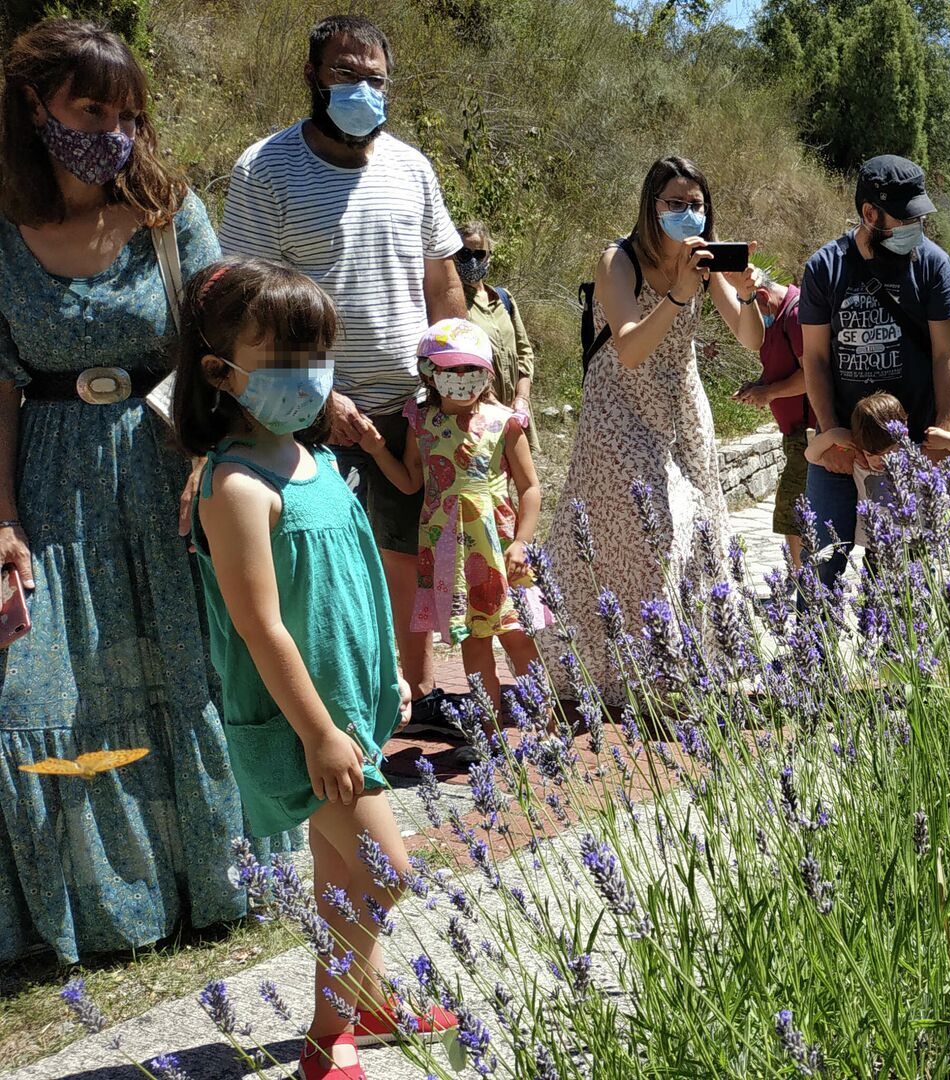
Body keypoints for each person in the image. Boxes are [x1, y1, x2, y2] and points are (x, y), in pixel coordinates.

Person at [0, 19, 299, 966]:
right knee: (46, 691)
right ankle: (94, 914)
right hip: (48, 488)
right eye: (93, 109)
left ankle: (225, 883)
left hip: (168, 471)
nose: (115, 131)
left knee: (194, 671)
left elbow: (220, 346)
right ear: (34, 106)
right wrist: (2, 518)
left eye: (129, 113)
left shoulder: (172, 213)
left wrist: (217, 464)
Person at [175, 256, 455, 1080]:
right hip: (304, 724)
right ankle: (325, 1032)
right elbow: (261, 627)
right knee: (386, 873)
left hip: (349, 708)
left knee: (342, 879)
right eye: (284, 357)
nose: (307, 375)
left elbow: (355, 585)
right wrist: (323, 732)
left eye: (316, 353)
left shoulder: (320, 461)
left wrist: (387, 676)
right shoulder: (233, 482)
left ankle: (357, 1010)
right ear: (222, 373)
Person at [217, 14, 464, 724]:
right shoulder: (265, 168)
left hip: (413, 406)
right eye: (345, 74)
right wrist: (317, 401)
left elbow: (443, 286)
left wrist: (454, 382)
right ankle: (338, 705)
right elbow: (248, 299)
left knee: (411, 558)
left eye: (375, 78)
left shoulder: (412, 168)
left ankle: (413, 695)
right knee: (327, 568)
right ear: (312, 78)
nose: (361, 88)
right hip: (309, 415)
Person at [553, 155, 761, 696]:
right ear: (651, 206)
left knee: (700, 524)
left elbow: (751, 339)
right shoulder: (617, 260)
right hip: (620, 407)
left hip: (680, 407)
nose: (688, 213)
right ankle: (625, 671)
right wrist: (677, 297)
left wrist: (745, 292)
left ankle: (690, 660)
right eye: (675, 203)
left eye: (696, 204)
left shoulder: (704, 260)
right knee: (643, 532)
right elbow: (626, 346)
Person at [356, 319, 546, 743]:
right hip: (449, 554)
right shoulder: (421, 423)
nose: (462, 380)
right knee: (472, 642)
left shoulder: (505, 422)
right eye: (450, 371)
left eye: (471, 370)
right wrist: (375, 449)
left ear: (488, 372)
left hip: (498, 548)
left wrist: (522, 542)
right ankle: (488, 733)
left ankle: (545, 725)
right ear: (429, 375)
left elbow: (530, 487)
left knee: (516, 635)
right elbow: (409, 481)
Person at [799, 154, 950, 585]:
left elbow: (946, 354)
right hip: (840, 447)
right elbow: (814, 358)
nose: (915, 229)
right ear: (869, 213)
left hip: (907, 453)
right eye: (903, 219)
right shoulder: (825, 267)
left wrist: (940, 435)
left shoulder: (932, 264)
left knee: (898, 585)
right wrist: (831, 432)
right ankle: (811, 653)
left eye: (919, 218)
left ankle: (893, 656)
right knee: (822, 571)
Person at [805, 391, 950, 551]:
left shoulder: (914, 456)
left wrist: (949, 441)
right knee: (876, 572)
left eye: (887, 452)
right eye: (871, 454)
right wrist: (831, 435)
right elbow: (811, 456)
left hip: (916, 537)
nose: (879, 460)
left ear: (903, 433)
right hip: (877, 541)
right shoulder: (860, 463)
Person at [734, 266, 811, 569]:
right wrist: (758, 387)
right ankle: (801, 575)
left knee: (793, 508)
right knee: (793, 506)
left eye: (753, 308)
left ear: (762, 296)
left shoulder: (795, 315)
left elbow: (812, 376)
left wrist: (769, 393)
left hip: (810, 431)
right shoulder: (777, 318)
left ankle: (804, 579)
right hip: (795, 432)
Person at [452, 220, 538, 451]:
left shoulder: (503, 298)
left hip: (514, 410)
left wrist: (521, 399)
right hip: (479, 414)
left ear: (489, 256)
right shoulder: (452, 304)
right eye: (464, 253)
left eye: (479, 254)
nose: (472, 260)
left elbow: (524, 352)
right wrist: (493, 405)